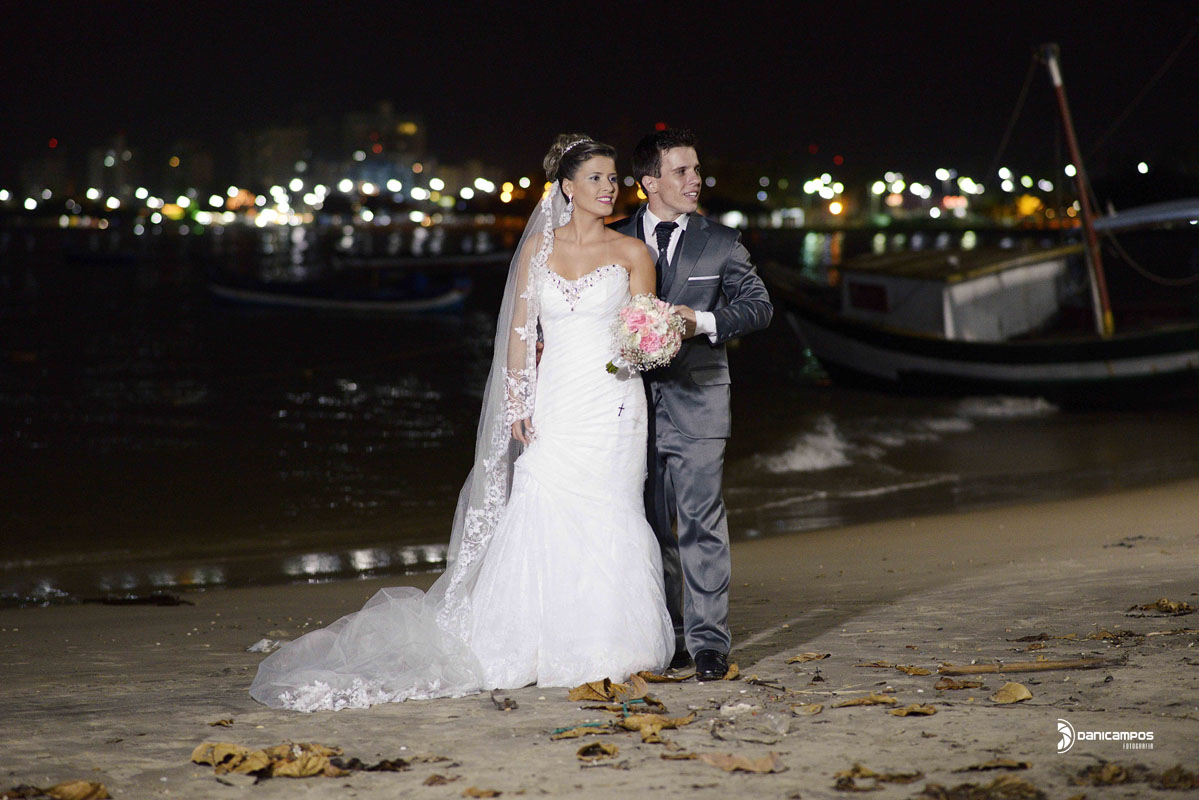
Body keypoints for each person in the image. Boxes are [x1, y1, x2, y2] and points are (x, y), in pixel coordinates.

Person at [249, 135, 674, 711]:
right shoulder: (538, 253)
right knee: (540, 502)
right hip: (554, 403)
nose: (609, 187)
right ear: (567, 188)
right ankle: (531, 642)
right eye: (596, 178)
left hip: (613, 402)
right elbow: (522, 334)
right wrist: (520, 403)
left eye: (613, 178)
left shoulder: (632, 255)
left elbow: (641, 330)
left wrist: (649, 344)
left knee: (610, 509)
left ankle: (610, 647)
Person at [611, 129, 773, 682]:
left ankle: (709, 643)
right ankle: (669, 634)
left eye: (697, 169)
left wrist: (700, 321)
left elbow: (758, 307)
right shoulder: (614, 239)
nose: (694, 179)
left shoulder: (720, 240)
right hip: (628, 408)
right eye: (680, 171)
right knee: (648, 524)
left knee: (700, 522)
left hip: (700, 400)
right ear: (648, 181)